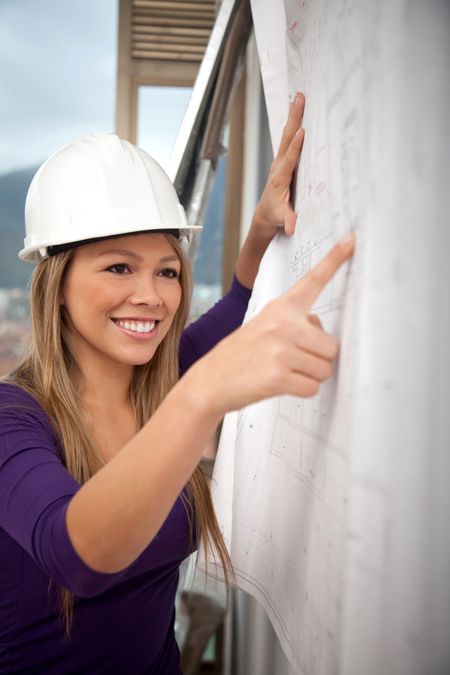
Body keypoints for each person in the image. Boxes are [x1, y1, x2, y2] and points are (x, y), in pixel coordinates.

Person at [0, 93, 354, 673]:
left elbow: (238, 304)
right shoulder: (14, 420)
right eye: (119, 267)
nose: (152, 296)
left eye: (167, 271)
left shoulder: (163, 376)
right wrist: (197, 399)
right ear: (56, 282)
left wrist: (263, 229)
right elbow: (78, 555)